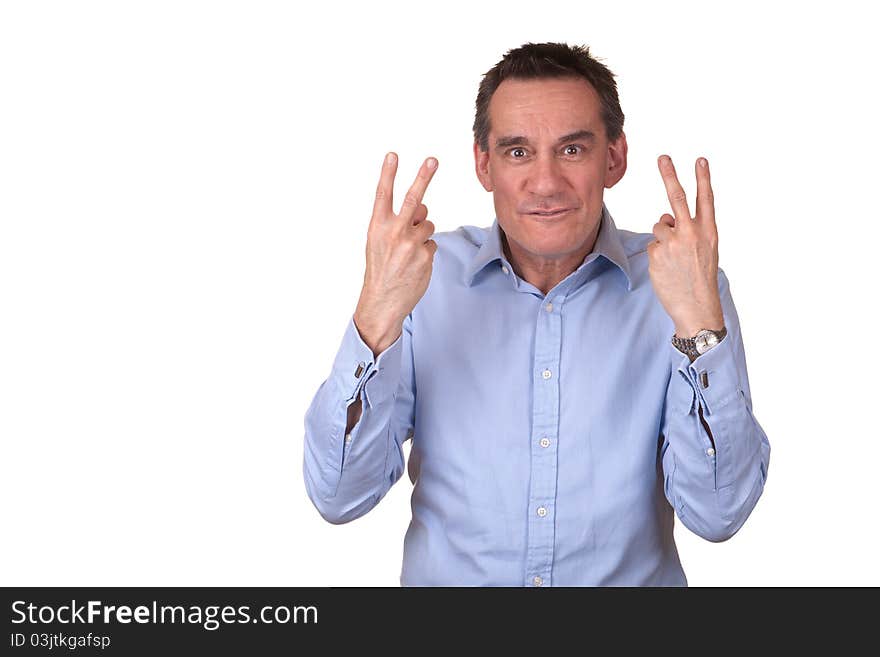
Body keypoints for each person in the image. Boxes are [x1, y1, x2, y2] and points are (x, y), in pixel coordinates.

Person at [302, 41, 771, 586]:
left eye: (572, 150)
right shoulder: (421, 282)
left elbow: (720, 514)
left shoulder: (682, 283)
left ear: (614, 158)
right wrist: (375, 317)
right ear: (484, 164)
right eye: (518, 152)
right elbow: (339, 497)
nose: (545, 183)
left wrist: (699, 328)